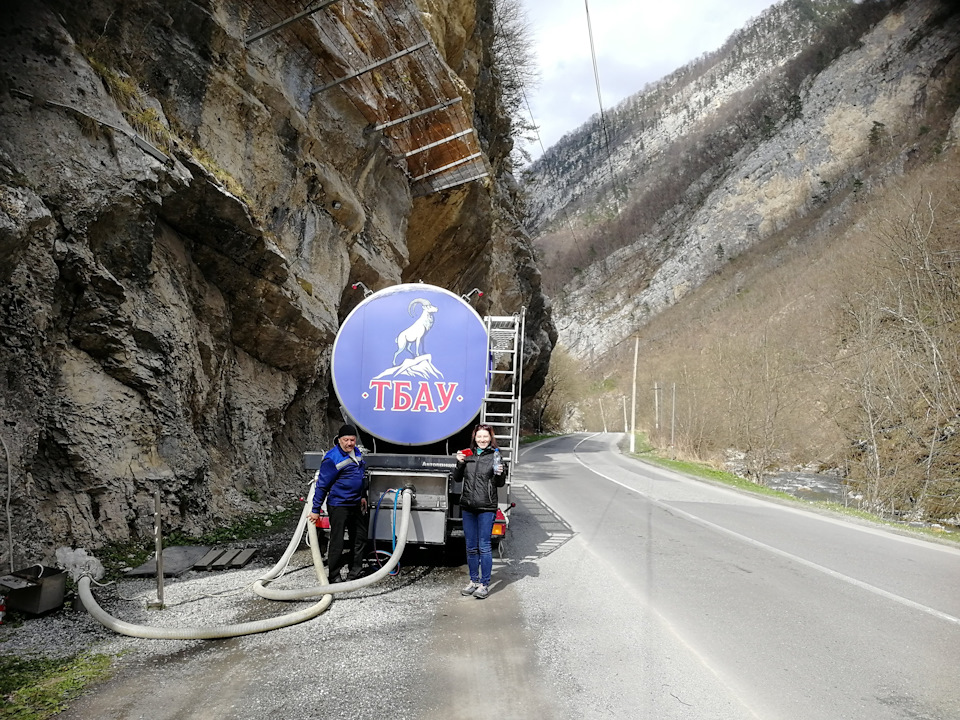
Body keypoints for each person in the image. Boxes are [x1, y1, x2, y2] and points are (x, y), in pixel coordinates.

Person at [307, 424, 369, 583]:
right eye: (346, 440)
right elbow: (322, 485)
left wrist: (362, 496)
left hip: (355, 503)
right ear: (339, 440)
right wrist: (315, 510)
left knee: (359, 538)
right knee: (338, 540)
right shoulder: (331, 458)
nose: (349, 443)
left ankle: (355, 571)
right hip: (339, 505)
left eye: (352, 440)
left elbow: (361, 475)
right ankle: (334, 575)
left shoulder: (356, 453)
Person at [452, 424, 507, 599]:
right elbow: (457, 478)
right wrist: (459, 463)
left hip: (486, 507)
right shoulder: (468, 455)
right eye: (479, 437)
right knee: (470, 547)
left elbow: (500, 484)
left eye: (485, 436)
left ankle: (484, 584)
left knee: (484, 547)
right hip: (468, 506)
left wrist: (500, 473)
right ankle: (473, 581)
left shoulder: (496, 456)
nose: (482, 440)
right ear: (474, 438)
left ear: (490, 438)